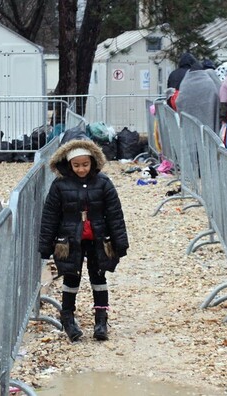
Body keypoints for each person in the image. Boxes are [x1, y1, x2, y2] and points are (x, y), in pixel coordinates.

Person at [38, 139, 129, 342]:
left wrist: (120, 242)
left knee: (99, 277)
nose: (81, 169)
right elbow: (50, 216)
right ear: (68, 164)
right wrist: (45, 245)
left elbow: (115, 214)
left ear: (93, 162)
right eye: (76, 165)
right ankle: (68, 318)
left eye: (85, 165)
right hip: (69, 240)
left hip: (98, 238)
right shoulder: (60, 185)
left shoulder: (103, 183)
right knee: (71, 278)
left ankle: (101, 319)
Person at [176, 64, 221, 134]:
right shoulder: (209, 82)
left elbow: (179, 101)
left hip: (188, 131)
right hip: (208, 131)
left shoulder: (185, 83)